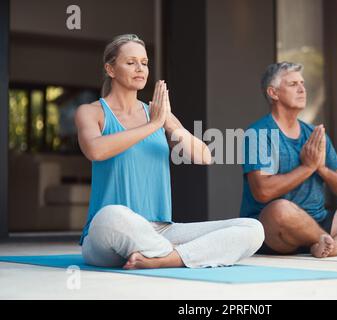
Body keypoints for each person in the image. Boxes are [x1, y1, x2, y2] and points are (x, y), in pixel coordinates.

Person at [75, 34, 264, 269]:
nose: (140, 68)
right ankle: (183, 256)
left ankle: (165, 259)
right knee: (112, 216)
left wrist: (170, 123)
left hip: (162, 230)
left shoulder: (158, 113)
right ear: (110, 69)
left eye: (144, 63)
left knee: (252, 229)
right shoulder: (92, 112)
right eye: (131, 62)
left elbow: (204, 156)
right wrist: (153, 125)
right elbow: (95, 150)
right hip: (108, 235)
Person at [240, 62, 337, 258]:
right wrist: (307, 168)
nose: (302, 89)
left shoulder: (313, 134)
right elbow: (263, 192)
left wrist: (322, 168)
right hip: (276, 230)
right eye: (293, 84)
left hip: (318, 221)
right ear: (273, 93)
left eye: (303, 83)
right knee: (280, 209)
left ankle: (333, 247)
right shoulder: (259, 133)